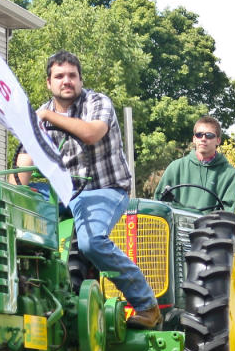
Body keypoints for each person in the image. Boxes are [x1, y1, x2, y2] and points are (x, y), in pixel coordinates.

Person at [17, 51, 161, 328]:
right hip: (65, 193)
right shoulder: (42, 114)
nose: (66, 81)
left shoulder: (97, 102)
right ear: (49, 83)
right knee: (22, 233)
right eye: (59, 76)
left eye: (72, 75)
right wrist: (16, 197)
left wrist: (47, 116)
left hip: (104, 188)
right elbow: (25, 157)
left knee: (91, 241)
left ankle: (146, 305)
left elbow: (91, 133)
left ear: (81, 80)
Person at [153, 115, 235, 211]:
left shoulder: (230, 175)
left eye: (209, 135)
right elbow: (159, 205)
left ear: (218, 140)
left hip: (210, 225)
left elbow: (227, 214)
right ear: (194, 139)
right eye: (199, 135)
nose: (203, 139)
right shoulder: (175, 168)